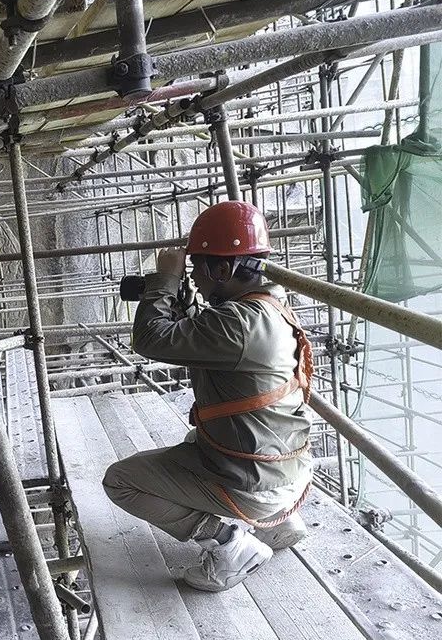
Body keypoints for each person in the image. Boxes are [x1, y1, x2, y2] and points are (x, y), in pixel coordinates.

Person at [102, 201, 314, 592]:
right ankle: (280, 522)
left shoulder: (238, 323)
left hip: (253, 484)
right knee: (193, 441)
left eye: (197, 268)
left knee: (120, 481)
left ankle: (229, 543)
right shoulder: (271, 307)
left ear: (223, 269)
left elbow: (150, 339)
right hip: (289, 473)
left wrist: (164, 281)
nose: (194, 279)